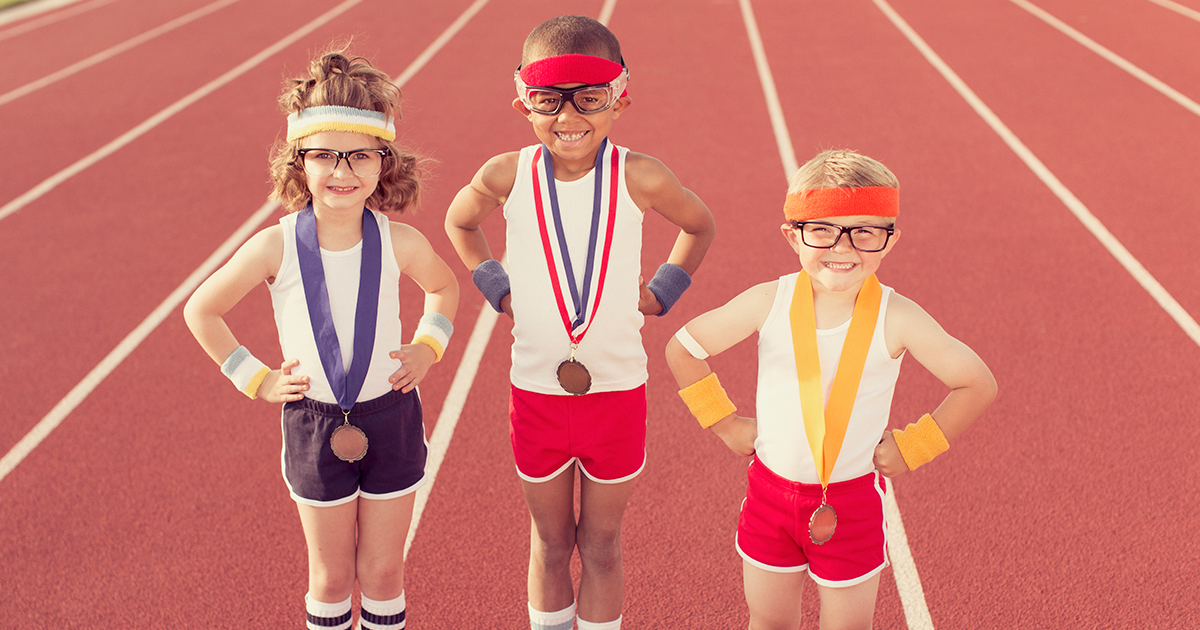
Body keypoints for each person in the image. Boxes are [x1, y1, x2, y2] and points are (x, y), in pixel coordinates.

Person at [444, 15, 716, 630]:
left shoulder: (641, 175)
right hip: (537, 392)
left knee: (600, 545)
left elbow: (700, 224)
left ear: (620, 97)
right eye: (548, 102)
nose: (568, 118)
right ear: (523, 102)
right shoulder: (507, 174)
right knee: (549, 543)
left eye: (589, 99)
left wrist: (663, 289)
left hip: (617, 393)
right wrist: (493, 282)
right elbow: (459, 222)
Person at [183, 49, 458, 630]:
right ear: (298, 162)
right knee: (331, 577)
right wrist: (254, 378)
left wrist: (428, 347)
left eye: (361, 156)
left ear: (385, 163)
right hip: (313, 423)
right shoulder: (275, 246)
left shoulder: (400, 241)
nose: (343, 171)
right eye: (325, 156)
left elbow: (444, 288)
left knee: (384, 573)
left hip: (392, 417)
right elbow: (201, 310)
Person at [665, 149, 996, 630]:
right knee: (768, 621)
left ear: (891, 240)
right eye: (822, 230)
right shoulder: (768, 302)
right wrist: (724, 422)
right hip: (769, 497)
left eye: (866, 231)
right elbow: (683, 349)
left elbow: (976, 383)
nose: (843, 248)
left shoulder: (897, 316)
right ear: (791, 235)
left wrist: (914, 447)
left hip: (853, 503)